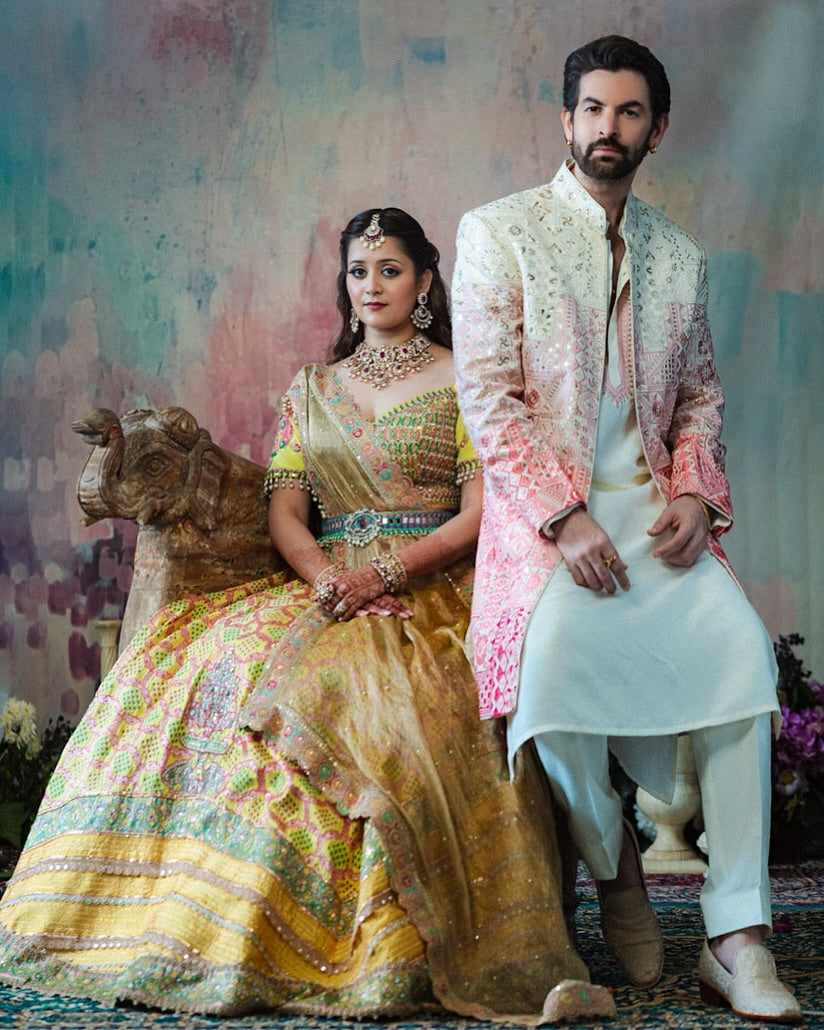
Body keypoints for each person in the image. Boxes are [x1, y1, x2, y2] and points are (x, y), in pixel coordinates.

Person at [0, 208, 615, 1023]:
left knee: (367, 696)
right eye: (359, 272)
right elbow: (287, 511)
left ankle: (358, 938)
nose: (372, 286)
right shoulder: (312, 389)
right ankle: (182, 921)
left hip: (430, 586)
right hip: (320, 584)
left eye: (390, 270)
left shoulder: (466, 379)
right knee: (200, 667)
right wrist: (330, 577)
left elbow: (478, 514)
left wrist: (383, 574)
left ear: (426, 282)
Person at [452, 35, 802, 1026]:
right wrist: (561, 518)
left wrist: (694, 496)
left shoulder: (677, 255)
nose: (610, 130)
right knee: (549, 684)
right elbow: (487, 396)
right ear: (565, 121)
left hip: (653, 529)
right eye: (593, 110)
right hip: (544, 533)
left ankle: (735, 938)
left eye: (630, 112)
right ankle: (614, 864)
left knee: (740, 659)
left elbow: (696, 398)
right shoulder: (499, 231)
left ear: (656, 128)